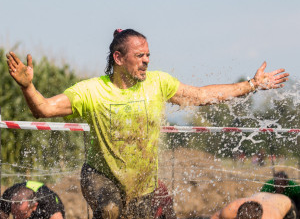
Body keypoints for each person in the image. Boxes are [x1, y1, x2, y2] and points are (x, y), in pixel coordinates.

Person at [6, 28, 289, 218]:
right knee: (111, 210)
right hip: (99, 176)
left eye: (148, 55)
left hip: (142, 186)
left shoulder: (158, 84)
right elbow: (43, 109)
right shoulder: (91, 91)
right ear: (118, 58)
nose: (146, 62)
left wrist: (251, 84)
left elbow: (203, 95)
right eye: (139, 56)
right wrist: (28, 87)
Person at [0, 181, 65, 219]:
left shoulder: (48, 202)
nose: (17, 218)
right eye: (14, 214)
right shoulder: (7, 197)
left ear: (34, 206)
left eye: (22, 214)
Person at [211, 192, 297, 219]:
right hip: (262, 195)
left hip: (286, 204)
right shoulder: (231, 209)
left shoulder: (272, 217)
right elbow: (215, 217)